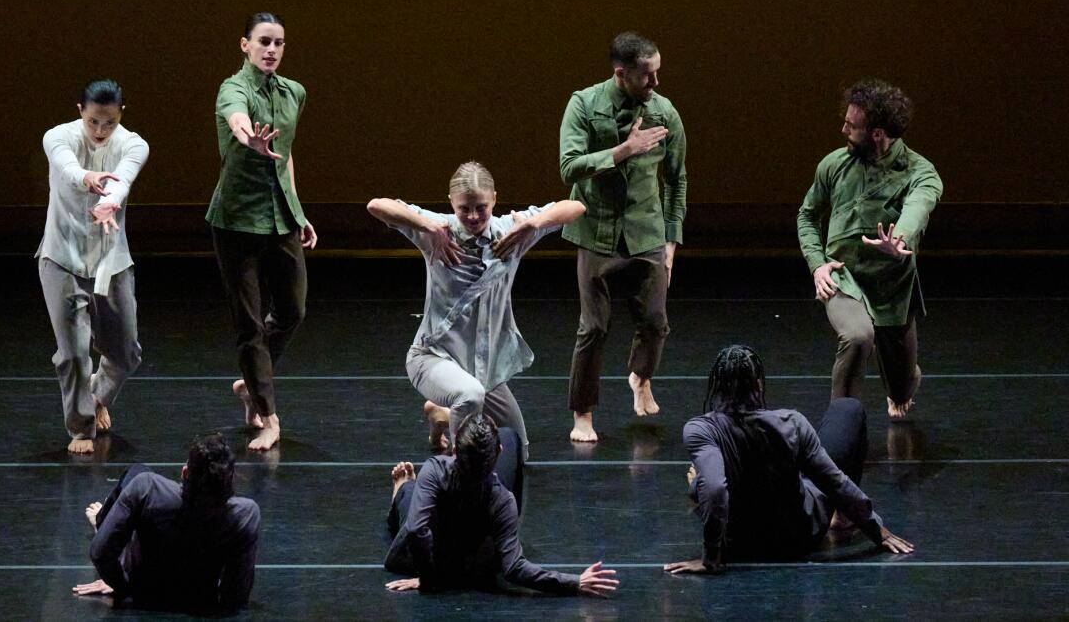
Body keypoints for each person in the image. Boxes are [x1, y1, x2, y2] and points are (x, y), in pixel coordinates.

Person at [367, 161, 586, 460]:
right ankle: (459, 469)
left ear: (495, 199)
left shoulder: (513, 231)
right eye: (463, 209)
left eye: (481, 207)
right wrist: (427, 226)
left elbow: (576, 207)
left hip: (483, 370)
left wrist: (534, 224)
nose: (472, 216)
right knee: (469, 395)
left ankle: (442, 415)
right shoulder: (438, 231)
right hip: (432, 358)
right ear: (451, 205)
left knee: (518, 455)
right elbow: (376, 206)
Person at [663, 346, 914, 575]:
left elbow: (716, 489)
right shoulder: (791, 422)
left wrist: (711, 557)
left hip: (741, 544)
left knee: (703, 478)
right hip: (799, 539)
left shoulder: (700, 429)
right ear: (759, 385)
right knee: (847, 408)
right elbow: (833, 481)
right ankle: (844, 516)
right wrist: (876, 529)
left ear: (716, 387)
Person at [559, 32, 687, 443]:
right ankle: (583, 413)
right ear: (621, 73)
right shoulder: (585, 104)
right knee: (593, 328)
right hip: (597, 228)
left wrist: (671, 239)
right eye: (647, 76)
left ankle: (641, 375)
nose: (655, 83)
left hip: (647, 230)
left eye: (658, 73)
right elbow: (569, 168)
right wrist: (622, 151)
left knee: (654, 321)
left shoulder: (665, 113)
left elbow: (677, 179)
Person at [797, 80, 943, 419]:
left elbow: (918, 206)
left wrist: (901, 240)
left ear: (877, 134)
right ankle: (839, 425)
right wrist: (818, 264)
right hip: (844, 278)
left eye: (852, 126)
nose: (843, 129)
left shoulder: (920, 172)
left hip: (892, 287)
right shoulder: (834, 165)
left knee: (903, 385)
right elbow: (807, 214)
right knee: (858, 337)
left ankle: (903, 384)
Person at [207, 12, 318, 450]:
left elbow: (285, 154)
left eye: (279, 43)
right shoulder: (232, 88)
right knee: (249, 324)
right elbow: (236, 117)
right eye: (264, 42)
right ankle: (267, 415)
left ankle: (252, 381)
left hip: (280, 215)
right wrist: (247, 136)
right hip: (236, 221)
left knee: (292, 310)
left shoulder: (295, 93)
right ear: (245, 45)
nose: (272, 49)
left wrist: (299, 209)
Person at [384, 414, 619, 596]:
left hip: (428, 556)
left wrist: (429, 580)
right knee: (510, 434)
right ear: (499, 452)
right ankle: (405, 491)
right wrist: (574, 582)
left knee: (411, 493)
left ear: (454, 450)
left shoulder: (435, 468)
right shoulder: (503, 500)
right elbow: (514, 567)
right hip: (470, 566)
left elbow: (416, 529)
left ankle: (401, 490)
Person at [37, 79, 147, 455]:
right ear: (80, 110)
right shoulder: (59, 137)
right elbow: (67, 168)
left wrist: (110, 200)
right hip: (61, 258)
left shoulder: (133, 144)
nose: (101, 131)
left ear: (121, 116)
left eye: (110, 123)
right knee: (73, 353)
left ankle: (97, 396)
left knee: (126, 354)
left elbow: (125, 179)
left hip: (110, 261)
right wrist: (87, 178)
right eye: (94, 122)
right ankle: (82, 427)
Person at [72, 432, 261, 612]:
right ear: (230, 481)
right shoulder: (245, 514)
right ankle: (104, 521)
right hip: (198, 596)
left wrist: (121, 585)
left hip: (143, 587)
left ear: (185, 472)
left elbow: (100, 553)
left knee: (137, 471)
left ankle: (102, 521)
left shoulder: (146, 487)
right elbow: (236, 594)